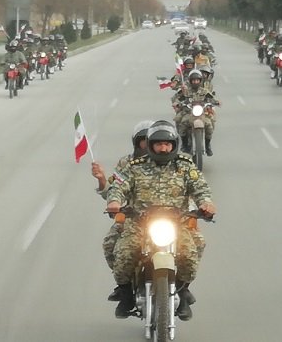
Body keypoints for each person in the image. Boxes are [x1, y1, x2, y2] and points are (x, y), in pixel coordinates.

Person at [106, 120, 216, 320]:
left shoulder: (184, 165)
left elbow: (200, 187)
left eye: (167, 144)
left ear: (174, 145)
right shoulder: (135, 167)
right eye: (158, 144)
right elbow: (118, 186)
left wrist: (206, 204)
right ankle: (125, 295)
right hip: (140, 223)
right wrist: (115, 200)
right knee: (123, 254)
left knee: (190, 255)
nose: (163, 148)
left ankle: (182, 292)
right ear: (150, 145)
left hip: (177, 223)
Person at [91, 120, 153, 301]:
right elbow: (113, 190)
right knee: (111, 245)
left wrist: (199, 207)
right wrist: (102, 180)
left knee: (194, 243)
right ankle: (124, 288)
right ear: (137, 142)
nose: (149, 145)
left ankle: (183, 288)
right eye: (145, 141)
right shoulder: (127, 163)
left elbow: (192, 189)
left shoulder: (175, 163)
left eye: (154, 141)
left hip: (169, 219)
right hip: (134, 218)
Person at [173, 70, 220, 156]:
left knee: (209, 125)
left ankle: (207, 145)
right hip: (189, 113)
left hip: (202, 114)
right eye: (193, 80)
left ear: (200, 81)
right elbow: (178, 99)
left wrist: (216, 102)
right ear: (190, 81)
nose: (195, 82)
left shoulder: (204, 91)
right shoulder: (186, 91)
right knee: (182, 124)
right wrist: (177, 103)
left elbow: (212, 98)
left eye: (197, 80)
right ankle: (184, 144)